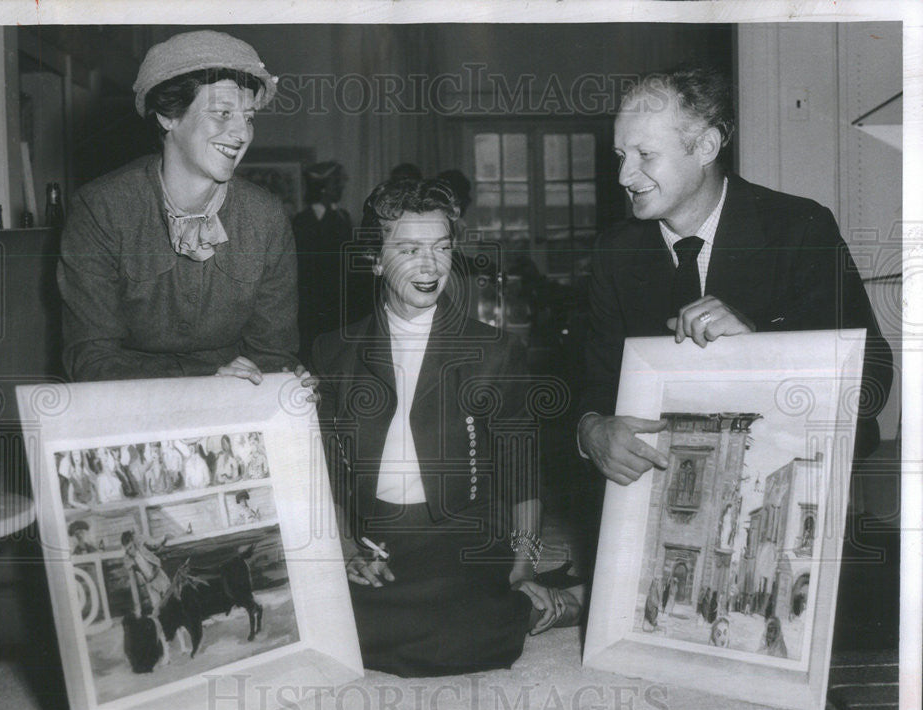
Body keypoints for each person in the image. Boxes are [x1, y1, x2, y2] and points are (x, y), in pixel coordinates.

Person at [313, 178, 583, 677]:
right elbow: (326, 468)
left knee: (467, 636)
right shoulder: (335, 351)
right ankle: (546, 600)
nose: (429, 264)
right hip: (379, 542)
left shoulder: (493, 349)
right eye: (409, 248)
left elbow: (521, 469)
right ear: (375, 258)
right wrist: (346, 550)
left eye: (440, 247)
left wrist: (523, 564)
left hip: (465, 539)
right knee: (329, 632)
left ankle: (551, 599)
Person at [577, 64, 892, 486]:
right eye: (620, 157)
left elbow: (871, 378)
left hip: (795, 479)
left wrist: (758, 346)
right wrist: (591, 430)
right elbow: (596, 383)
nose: (624, 177)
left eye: (645, 155)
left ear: (706, 145)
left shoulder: (799, 228)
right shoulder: (615, 252)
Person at [57, 29, 302, 384]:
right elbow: (90, 358)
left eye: (248, 117)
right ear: (168, 116)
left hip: (234, 407)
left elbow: (274, 353)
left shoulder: (266, 218)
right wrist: (207, 377)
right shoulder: (100, 211)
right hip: (130, 408)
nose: (242, 133)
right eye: (222, 113)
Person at [291, 160, 371, 364]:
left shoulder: (343, 217)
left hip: (345, 303)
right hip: (316, 307)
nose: (342, 188)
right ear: (324, 188)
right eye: (337, 183)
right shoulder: (303, 221)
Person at [121, 530, 171, 618]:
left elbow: (155, 544)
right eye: (127, 550)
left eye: (130, 547)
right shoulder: (129, 560)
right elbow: (134, 587)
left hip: (159, 577)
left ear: (134, 542)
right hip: (150, 585)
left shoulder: (142, 546)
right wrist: (138, 609)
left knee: (171, 601)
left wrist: (164, 537)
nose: (129, 552)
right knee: (157, 610)